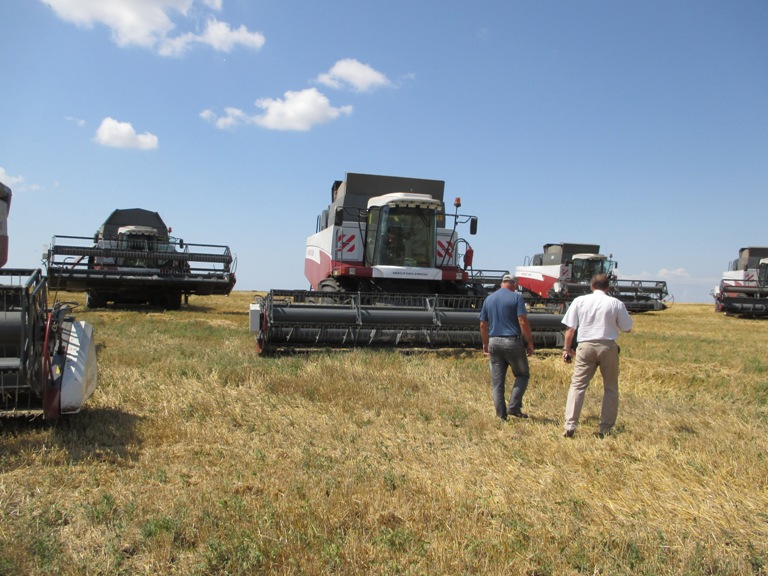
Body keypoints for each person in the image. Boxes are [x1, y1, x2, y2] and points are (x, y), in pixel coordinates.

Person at [561, 273, 633, 438]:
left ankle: (570, 425)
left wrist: (566, 349)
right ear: (608, 287)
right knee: (610, 388)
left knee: (578, 386)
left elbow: (570, 329)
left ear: (591, 286)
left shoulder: (579, 301)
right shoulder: (615, 303)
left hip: (585, 346)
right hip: (607, 346)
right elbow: (627, 328)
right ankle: (605, 428)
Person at [479, 274, 535, 420]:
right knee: (522, 375)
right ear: (515, 284)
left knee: (497, 383)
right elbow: (522, 321)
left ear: (502, 283)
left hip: (494, 342)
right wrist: (529, 342)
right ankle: (514, 407)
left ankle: (501, 416)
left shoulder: (489, 299)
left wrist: (485, 343)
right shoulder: (516, 298)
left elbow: (483, 325)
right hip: (512, 342)